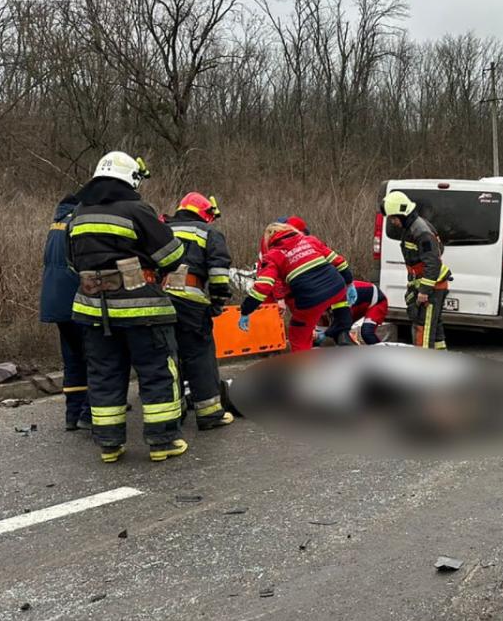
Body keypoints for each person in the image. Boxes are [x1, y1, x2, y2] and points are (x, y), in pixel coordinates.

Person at [67, 151, 188, 463]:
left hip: (94, 311)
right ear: (131, 178)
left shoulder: (78, 213)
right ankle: (162, 441)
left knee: (104, 374)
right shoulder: (136, 209)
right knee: (157, 372)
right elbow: (171, 256)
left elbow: (72, 262)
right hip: (142, 310)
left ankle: (109, 444)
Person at [164, 192, 234, 430]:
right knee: (199, 356)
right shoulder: (208, 233)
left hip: (157, 300)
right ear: (205, 213)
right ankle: (209, 414)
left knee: (166, 358)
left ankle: (173, 414)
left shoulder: (160, 228)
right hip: (190, 302)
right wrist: (217, 302)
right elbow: (219, 273)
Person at [239, 222, 353, 351]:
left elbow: (263, 287)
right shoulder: (310, 241)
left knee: (297, 332)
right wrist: (349, 283)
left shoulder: (273, 256)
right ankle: (343, 332)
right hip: (337, 287)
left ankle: (303, 366)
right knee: (339, 303)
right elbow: (340, 262)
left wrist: (246, 310)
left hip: (312, 298)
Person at [40, 193, 90, 431]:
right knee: (94, 356)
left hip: (55, 300)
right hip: (76, 299)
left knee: (73, 358)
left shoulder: (57, 223)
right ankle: (91, 411)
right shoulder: (79, 222)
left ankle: (73, 413)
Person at [380, 191, 451, 349]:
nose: (393, 222)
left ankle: (422, 366)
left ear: (403, 213)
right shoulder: (413, 227)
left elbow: (432, 261)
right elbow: (439, 249)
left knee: (423, 329)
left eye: (394, 218)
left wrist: (424, 291)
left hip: (432, 288)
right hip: (431, 285)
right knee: (435, 330)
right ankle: (442, 363)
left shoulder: (420, 231)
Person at [276, 215, 357, 306]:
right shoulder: (310, 241)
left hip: (305, 294)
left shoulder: (278, 248)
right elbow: (338, 261)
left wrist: (280, 298)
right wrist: (349, 283)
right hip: (327, 288)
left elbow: (338, 262)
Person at [315, 280, 389, 345]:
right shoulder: (324, 300)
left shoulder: (339, 298)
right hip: (357, 303)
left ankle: (384, 353)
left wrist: (324, 334)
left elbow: (342, 323)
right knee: (339, 334)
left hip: (377, 302)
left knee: (367, 333)